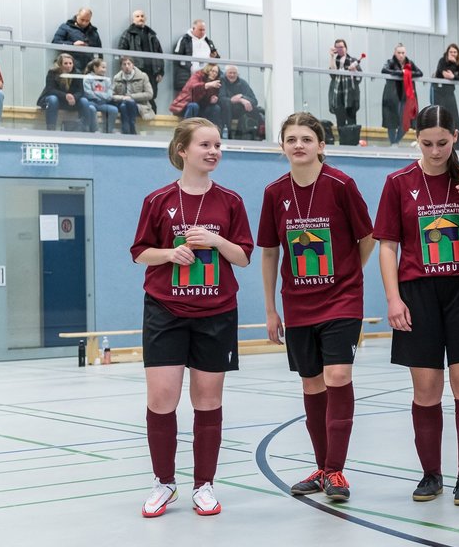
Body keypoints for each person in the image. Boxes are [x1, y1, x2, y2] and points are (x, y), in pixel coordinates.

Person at [130, 118, 254, 517]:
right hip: (165, 310)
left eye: (218, 144)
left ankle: (205, 484)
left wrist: (217, 241)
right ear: (183, 150)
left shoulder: (230, 201)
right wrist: (169, 254)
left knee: (207, 400)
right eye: (205, 145)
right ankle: (164, 483)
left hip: (216, 313)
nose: (214, 151)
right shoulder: (158, 200)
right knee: (162, 398)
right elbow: (139, 252)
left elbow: (244, 256)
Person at [375, 104, 459, 505]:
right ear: (416, 138)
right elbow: (387, 246)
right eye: (427, 143)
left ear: (456, 138)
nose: (436, 150)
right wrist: (393, 297)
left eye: (443, 142)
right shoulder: (398, 182)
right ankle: (430, 474)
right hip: (418, 292)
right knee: (426, 389)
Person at [260, 113, 375, 504]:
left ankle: (336, 470)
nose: (298, 145)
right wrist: (271, 308)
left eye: (306, 138)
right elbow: (270, 252)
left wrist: (348, 274)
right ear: (283, 147)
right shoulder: (275, 193)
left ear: (321, 144)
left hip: (342, 299)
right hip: (298, 304)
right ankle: (323, 467)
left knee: (338, 374)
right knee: (312, 383)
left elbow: (368, 236)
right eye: (290, 139)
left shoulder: (342, 184)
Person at [116, 10, 165, 109]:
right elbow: (122, 52)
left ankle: (150, 118)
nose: (140, 18)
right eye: (137, 16)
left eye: (142, 16)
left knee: (151, 95)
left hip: (152, 70)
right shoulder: (128, 34)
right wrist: (127, 69)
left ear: (145, 18)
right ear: (133, 19)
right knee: (136, 94)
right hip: (136, 70)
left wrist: (160, 71)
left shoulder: (152, 35)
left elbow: (159, 54)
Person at [37, 53, 93, 131]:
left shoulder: (77, 73)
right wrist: (66, 96)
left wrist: (74, 97)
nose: (68, 65)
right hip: (56, 99)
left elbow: (80, 91)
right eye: (65, 63)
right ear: (60, 64)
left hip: (71, 101)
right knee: (53, 99)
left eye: (70, 63)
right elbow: (50, 89)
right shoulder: (52, 73)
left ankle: (85, 129)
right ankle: (51, 129)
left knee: (84, 101)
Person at [381, 44, 422, 145]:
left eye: (403, 53)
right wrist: (402, 73)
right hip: (393, 95)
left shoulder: (409, 62)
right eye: (399, 53)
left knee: (406, 121)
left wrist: (406, 73)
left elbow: (420, 73)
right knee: (392, 121)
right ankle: (393, 143)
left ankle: (395, 142)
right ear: (395, 53)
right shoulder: (390, 62)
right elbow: (384, 70)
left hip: (407, 96)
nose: (401, 55)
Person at [171, 64, 228, 131]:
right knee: (193, 106)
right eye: (212, 71)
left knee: (216, 108)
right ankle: (186, 130)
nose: (214, 74)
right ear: (208, 70)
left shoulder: (217, 82)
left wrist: (213, 99)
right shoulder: (198, 75)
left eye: (216, 72)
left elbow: (220, 96)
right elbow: (192, 87)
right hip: (187, 105)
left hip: (204, 107)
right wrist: (207, 85)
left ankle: (214, 131)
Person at [433, 43, 459, 150]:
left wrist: (453, 76)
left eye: (455, 52)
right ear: (447, 52)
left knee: (453, 114)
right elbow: (444, 74)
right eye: (451, 52)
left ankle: (454, 140)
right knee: (440, 114)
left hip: (449, 92)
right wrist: (451, 72)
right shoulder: (442, 60)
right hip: (439, 91)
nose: (453, 54)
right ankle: (439, 136)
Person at [81, 57, 126, 134]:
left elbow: (109, 95)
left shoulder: (107, 80)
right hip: (91, 102)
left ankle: (109, 130)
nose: (104, 70)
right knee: (91, 108)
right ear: (95, 67)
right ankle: (95, 130)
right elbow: (88, 93)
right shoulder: (88, 78)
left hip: (103, 103)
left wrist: (96, 93)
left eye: (105, 68)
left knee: (114, 109)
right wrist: (102, 95)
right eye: (103, 67)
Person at [173, 20, 218, 93]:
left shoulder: (208, 41)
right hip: (189, 77)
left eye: (204, 30)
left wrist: (215, 56)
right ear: (193, 28)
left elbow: (216, 57)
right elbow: (177, 57)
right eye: (200, 30)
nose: (202, 32)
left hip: (206, 78)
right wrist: (189, 67)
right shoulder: (185, 40)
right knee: (189, 101)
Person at [113, 56, 157, 127]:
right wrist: (123, 98)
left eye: (129, 64)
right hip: (123, 103)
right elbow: (112, 95)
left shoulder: (142, 76)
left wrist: (131, 97)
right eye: (124, 64)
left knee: (127, 104)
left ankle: (128, 132)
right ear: (121, 66)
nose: (127, 66)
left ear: (133, 65)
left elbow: (149, 94)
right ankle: (131, 130)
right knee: (124, 106)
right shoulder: (117, 78)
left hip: (140, 106)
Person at [328, 39, 362, 131]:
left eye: (341, 47)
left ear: (346, 48)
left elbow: (359, 78)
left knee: (352, 123)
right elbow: (333, 75)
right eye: (337, 47)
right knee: (340, 123)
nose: (340, 49)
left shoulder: (353, 60)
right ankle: (342, 143)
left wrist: (354, 71)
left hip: (351, 96)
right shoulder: (334, 60)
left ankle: (352, 144)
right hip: (338, 96)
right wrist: (331, 56)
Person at [220, 66, 263, 139]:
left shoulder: (243, 83)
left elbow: (254, 101)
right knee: (226, 105)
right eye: (230, 73)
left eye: (234, 73)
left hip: (239, 111)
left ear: (237, 74)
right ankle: (228, 136)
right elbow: (220, 99)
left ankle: (252, 136)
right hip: (225, 111)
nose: (232, 75)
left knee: (256, 110)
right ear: (226, 74)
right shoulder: (221, 82)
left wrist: (242, 98)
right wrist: (232, 100)